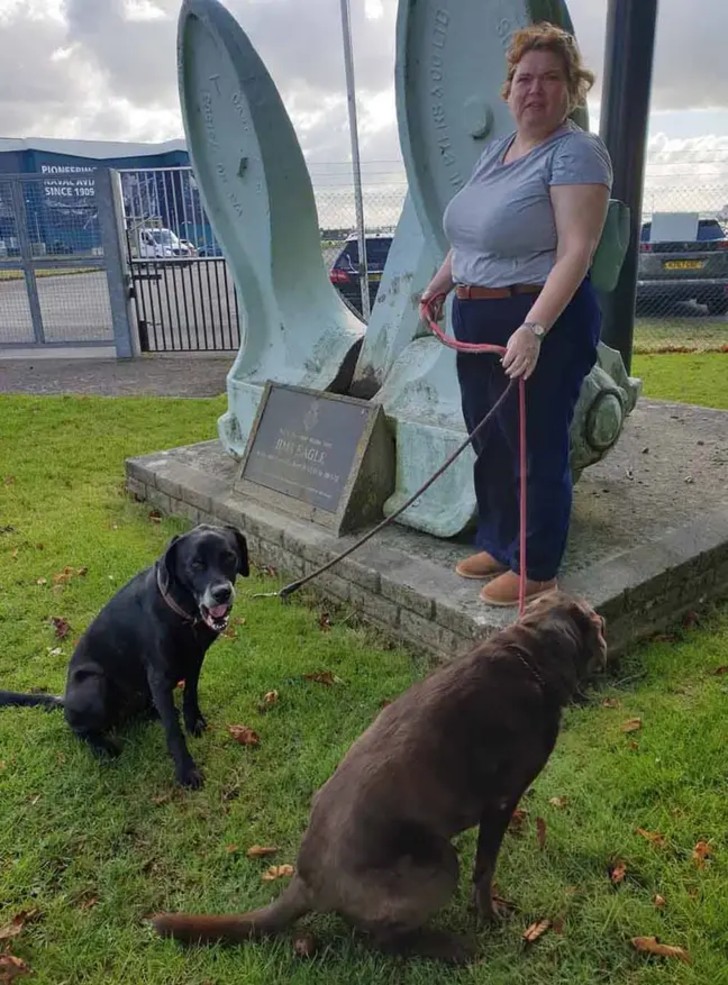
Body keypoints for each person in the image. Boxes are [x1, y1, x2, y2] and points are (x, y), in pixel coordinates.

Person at [421, 21, 613, 607]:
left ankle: (537, 567)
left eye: (550, 78)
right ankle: (503, 543)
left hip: (539, 320)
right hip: (477, 317)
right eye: (525, 79)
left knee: (534, 444)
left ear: (571, 89)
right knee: (491, 440)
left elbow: (576, 251)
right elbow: (473, 238)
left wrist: (533, 328)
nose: (535, 89)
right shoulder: (496, 154)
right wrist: (436, 287)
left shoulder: (577, 153)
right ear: (508, 90)